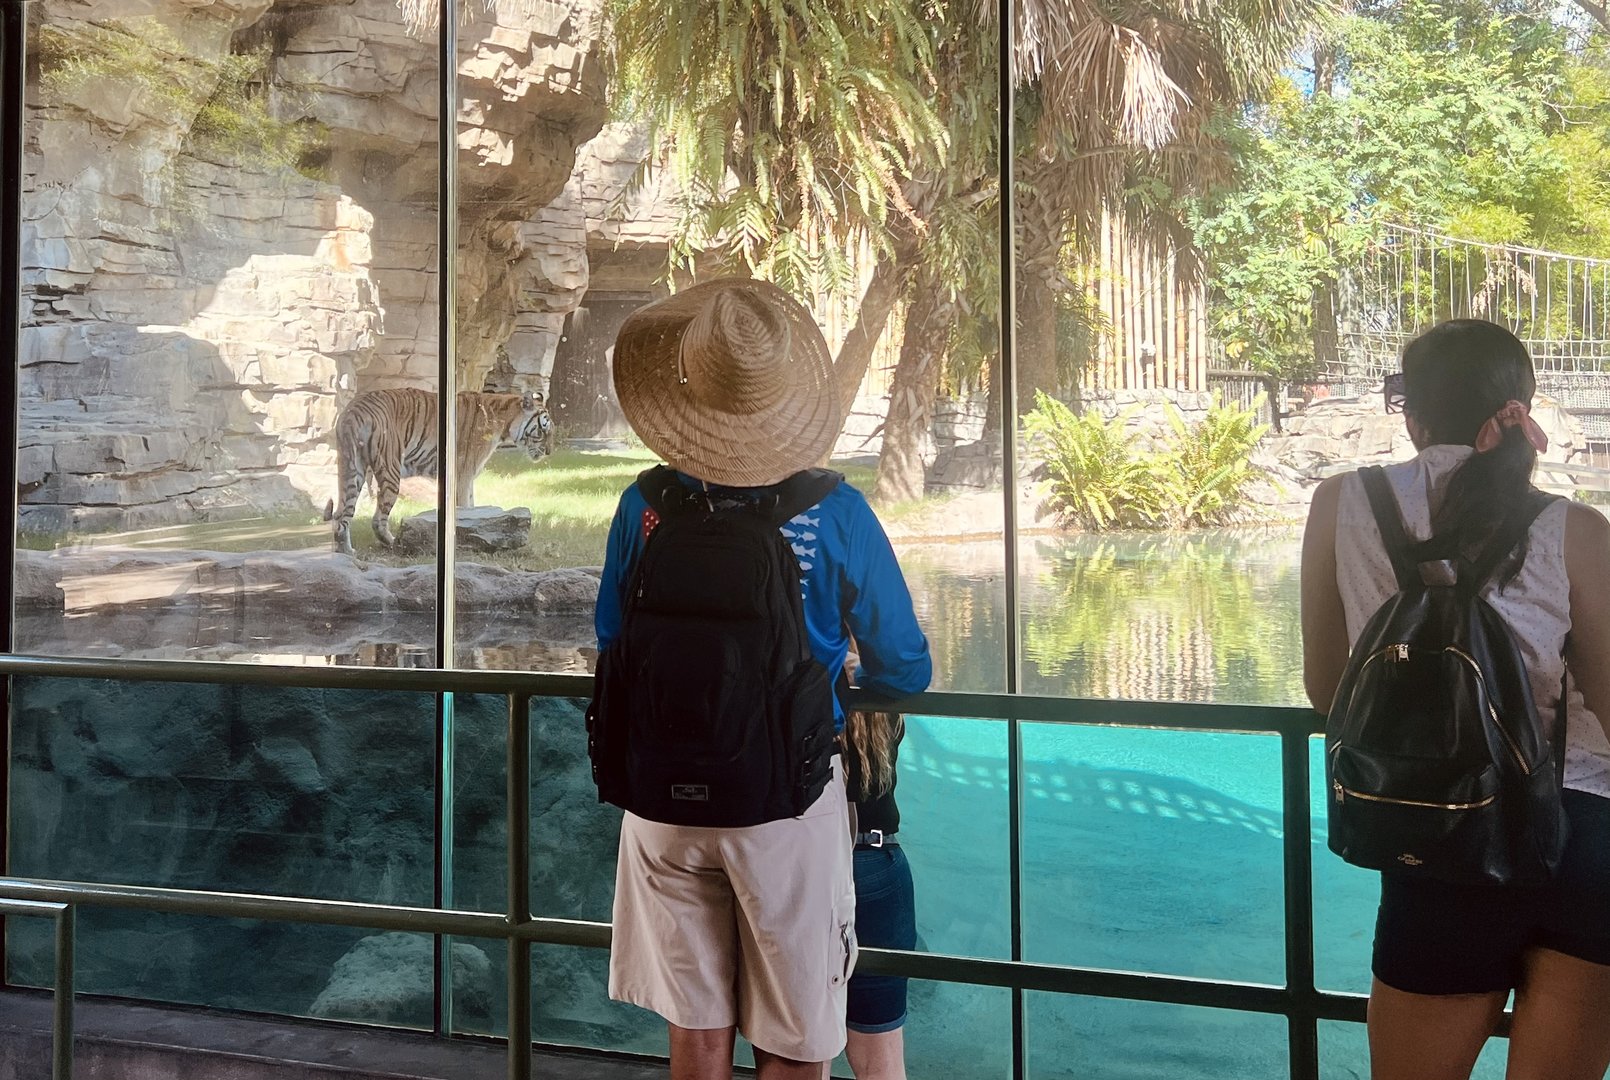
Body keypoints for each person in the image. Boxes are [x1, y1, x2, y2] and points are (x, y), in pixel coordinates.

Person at [595, 278, 933, 1080]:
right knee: (794, 1044)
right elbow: (905, 666)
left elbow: (612, 638)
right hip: (786, 800)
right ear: (787, 402)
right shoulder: (833, 511)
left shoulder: (645, 504)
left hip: (661, 806)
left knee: (697, 1038)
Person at [1301, 319, 1610, 1080]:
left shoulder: (1340, 505)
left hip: (1438, 840)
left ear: (1412, 415)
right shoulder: (1574, 530)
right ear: (1519, 411)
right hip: (1582, 837)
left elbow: (1327, 687)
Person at [837, 704, 915, 1080]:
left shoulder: (799, 676)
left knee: (802, 1049)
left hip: (811, 865)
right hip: (878, 860)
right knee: (880, 1056)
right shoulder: (883, 705)